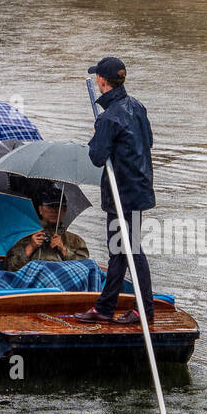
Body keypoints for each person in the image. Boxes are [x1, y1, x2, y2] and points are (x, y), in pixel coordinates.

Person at [72, 56, 156, 327]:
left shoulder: (109, 117)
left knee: (130, 251)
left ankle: (144, 310)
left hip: (123, 194)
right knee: (120, 251)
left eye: (97, 76)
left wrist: (98, 132)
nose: (96, 79)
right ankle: (105, 308)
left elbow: (96, 156)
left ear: (102, 81)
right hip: (138, 188)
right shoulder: (137, 107)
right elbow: (149, 141)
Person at [4, 188, 90, 271]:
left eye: (58, 206)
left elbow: (84, 269)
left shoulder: (75, 240)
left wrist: (63, 250)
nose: (54, 211)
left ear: (64, 210)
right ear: (40, 209)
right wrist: (30, 247)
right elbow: (10, 268)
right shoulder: (24, 236)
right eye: (50, 206)